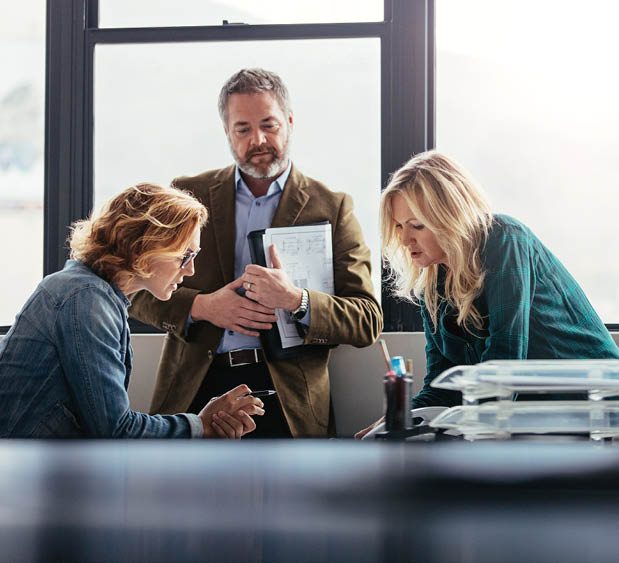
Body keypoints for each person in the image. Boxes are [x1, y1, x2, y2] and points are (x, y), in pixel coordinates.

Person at [129, 68, 383, 438]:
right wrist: (202, 306)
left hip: (289, 398)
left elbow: (367, 321)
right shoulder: (187, 195)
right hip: (197, 387)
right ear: (227, 132)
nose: (259, 139)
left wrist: (297, 300)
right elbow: (133, 289)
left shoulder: (332, 207)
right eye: (243, 129)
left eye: (269, 124)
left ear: (290, 122)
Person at [356, 150, 619, 438]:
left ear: (449, 217)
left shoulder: (505, 238)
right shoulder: (432, 282)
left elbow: (504, 362)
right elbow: (440, 386)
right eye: (398, 227)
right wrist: (396, 424)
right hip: (534, 421)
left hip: (595, 413)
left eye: (416, 225)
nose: (405, 240)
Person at [0, 183, 264, 439]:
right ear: (143, 247)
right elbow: (115, 430)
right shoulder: (87, 299)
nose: (190, 270)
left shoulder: (94, 293)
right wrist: (201, 425)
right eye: (184, 256)